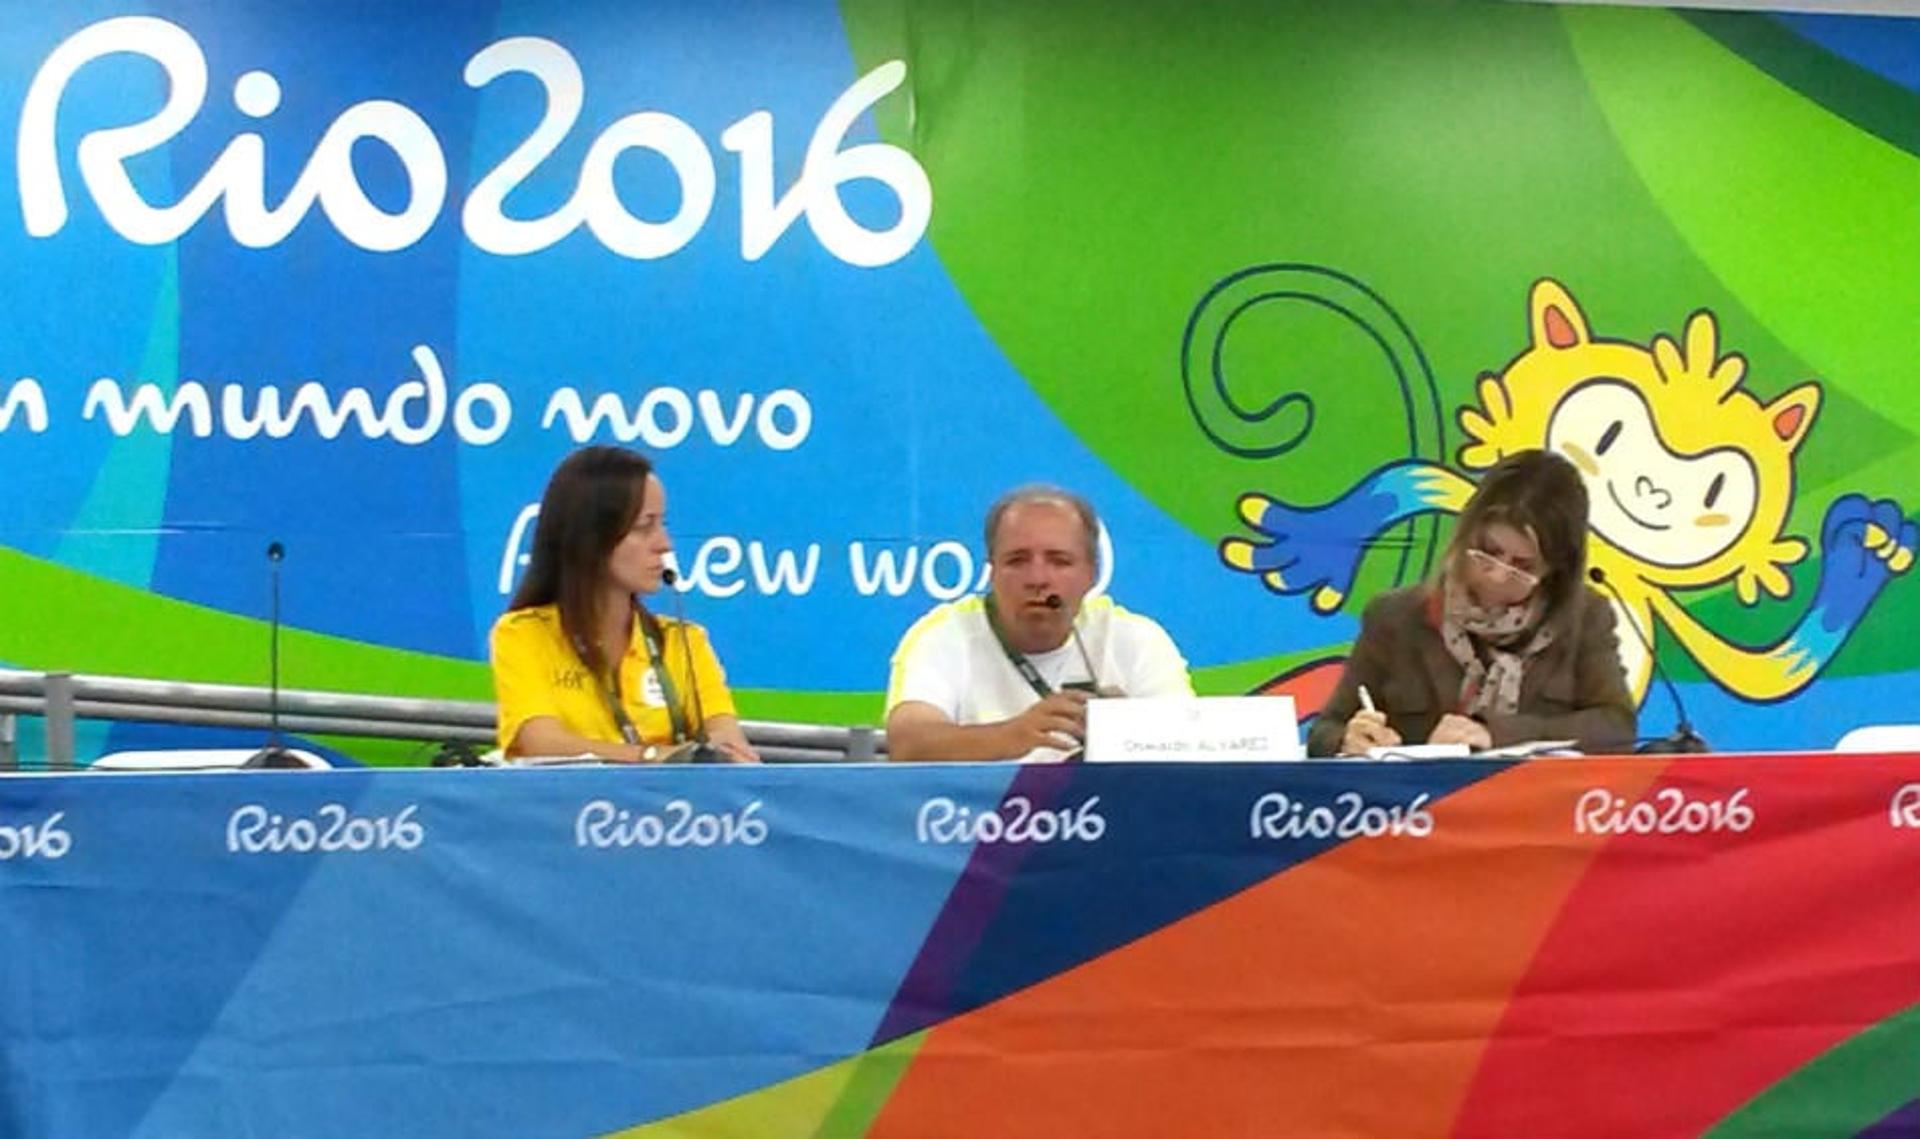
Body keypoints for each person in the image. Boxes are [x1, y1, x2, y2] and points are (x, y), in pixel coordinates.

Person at [1308, 448, 1635, 757]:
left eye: (1522, 567)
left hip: (1540, 810)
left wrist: (1495, 735)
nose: (1495, 576)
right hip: (1416, 811)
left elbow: (1616, 728)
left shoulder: (1585, 617)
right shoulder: (1395, 617)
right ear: (1466, 534)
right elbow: (1324, 731)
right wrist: (1348, 739)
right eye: (1487, 552)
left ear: (1555, 569)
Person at [885, 485, 1193, 762]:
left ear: (1091, 574)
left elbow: (1190, 745)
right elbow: (909, 744)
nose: (1037, 579)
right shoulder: (943, 634)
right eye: (1017, 561)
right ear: (992, 572)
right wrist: (1012, 735)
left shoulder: (1136, 639)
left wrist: (1131, 734)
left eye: (1059, 561)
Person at [490, 446, 758, 763]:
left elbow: (729, 741)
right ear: (591, 536)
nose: (664, 544)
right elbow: (541, 742)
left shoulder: (684, 641)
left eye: (663, 525)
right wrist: (656, 758)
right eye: (644, 527)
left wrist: (715, 754)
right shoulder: (523, 634)